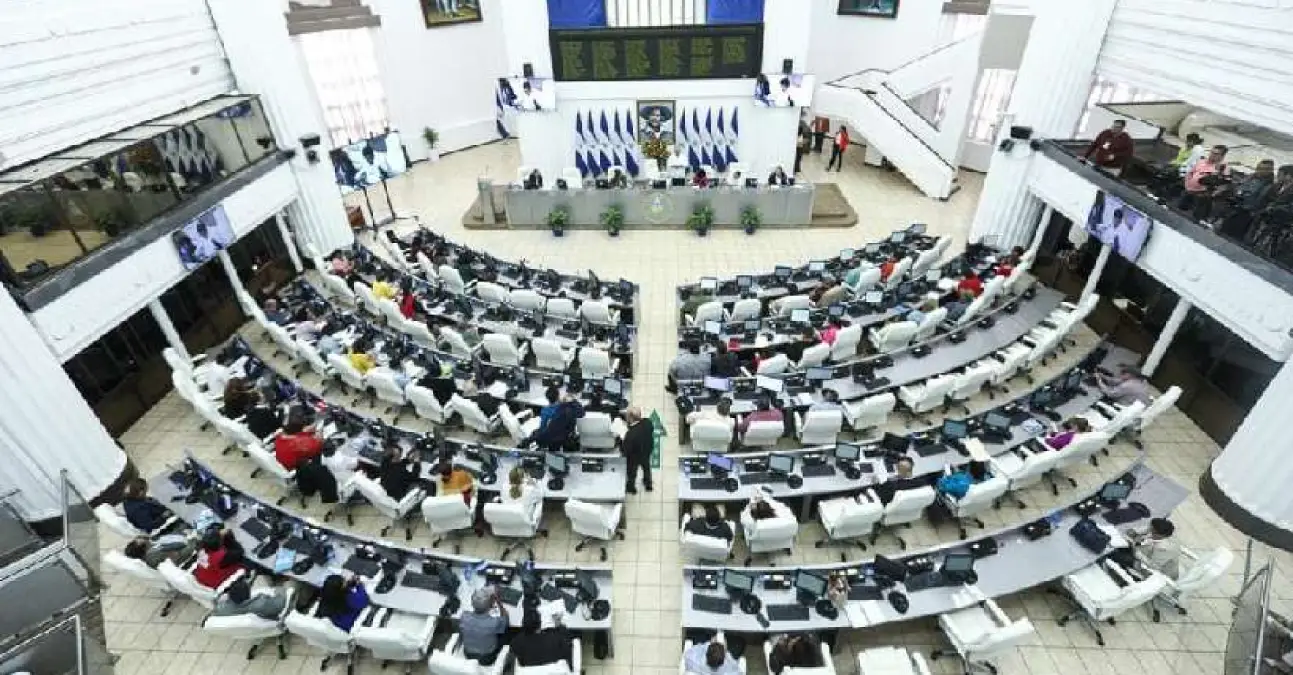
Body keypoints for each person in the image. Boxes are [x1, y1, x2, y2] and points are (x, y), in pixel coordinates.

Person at [1217, 159, 1276, 240]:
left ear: (1269, 171)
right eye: (1258, 168)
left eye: (1262, 169)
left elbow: (1258, 201)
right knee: (1222, 230)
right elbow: (1240, 186)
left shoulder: (1269, 186)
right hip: (1235, 207)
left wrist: (1245, 198)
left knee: (1233, 236)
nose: (1259, 171)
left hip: (1247, 214)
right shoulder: (1251, 177)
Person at [459, 588, 509, 664]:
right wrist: (499, 602)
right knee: (505, 633)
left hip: (468, 654)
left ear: (472, 604)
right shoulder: (494, 622)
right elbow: (506, 619)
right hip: (487, 658)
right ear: (490, 605)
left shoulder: (464, 617)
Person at [1181, 144, 1230, 219]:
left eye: (1216, 154)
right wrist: (1187, 185)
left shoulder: (1223, 168)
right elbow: (1190, 173)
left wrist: (1211, 194)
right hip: (1189, 191)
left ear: (1222, 156)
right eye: (1212, 152)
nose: (1212, 155)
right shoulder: (1201, 161)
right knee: (1180, 211)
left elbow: (1225, 185)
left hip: (1202, 197)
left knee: (1194, 219)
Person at [213, 577, 290, 620]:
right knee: (291, 583)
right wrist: (279, 589)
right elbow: (282, 601)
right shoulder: (262, 603)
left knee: (260, 578)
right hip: (272, 615)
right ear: (248, 594)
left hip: (247, 615)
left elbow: (215, 610)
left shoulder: (222, 608)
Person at [621, 406, 654, 494]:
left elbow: (625, 450)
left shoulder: (630, 434)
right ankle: (648, 484)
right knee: (646, 468)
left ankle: (631, 488)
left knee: (632, 472)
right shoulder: (648, 422)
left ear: (630, 418)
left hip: (634, 457)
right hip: (647, 451)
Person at [123, 533, 196, 568]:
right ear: (143, 547)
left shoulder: (150, 550)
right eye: (139, 541)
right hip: (188, 551)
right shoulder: (156, 554)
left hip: (180, 545)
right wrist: (192, 540)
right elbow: (182, 551)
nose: (140, 538)